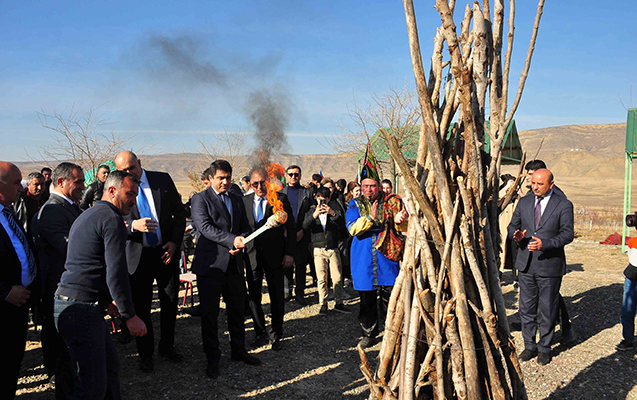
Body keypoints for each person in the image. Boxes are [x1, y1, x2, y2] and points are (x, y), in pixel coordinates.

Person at [54, 170, 147, 399]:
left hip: (76, 305)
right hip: (80, 309)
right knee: (92, 386)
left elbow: (90, 264)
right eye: (130, 194)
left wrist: (106, 302)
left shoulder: (90, 214)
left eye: (136, 195)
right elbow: (115, 273)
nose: (134, 200)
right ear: (112, 190)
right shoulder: (111, 219)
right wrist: (130, 316)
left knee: (108, 367)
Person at [114, 151, 187, 373]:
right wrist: (133, 225)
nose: (128, 174)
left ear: (140, 163)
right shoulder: (117, 186)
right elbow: (113, 217)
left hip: (165, 253)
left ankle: (167, 346)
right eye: (123, 171)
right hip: (138, 256)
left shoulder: (161, 180)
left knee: (169, 301)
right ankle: (145, 354)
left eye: (131, 169)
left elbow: (179, 214)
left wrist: (175, 242)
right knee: (142, 307)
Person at [190, 160, 260, 379]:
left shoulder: (237, 199)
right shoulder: (200, 199)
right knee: (210, 316)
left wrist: (243, 241)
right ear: (210, 178)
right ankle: (213, 358)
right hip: (210, 266)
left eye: (228, 177)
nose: (225, 182)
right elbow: (205, 228)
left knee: (237, 311)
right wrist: (232, 241)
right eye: (220, 178)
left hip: (234, 265)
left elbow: (246, 227)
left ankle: (238, 351)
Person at [508, 169, 574, 365]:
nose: (535, 187)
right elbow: (513, 225)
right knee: (526, 308)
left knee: (547, 308)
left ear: (551, 184)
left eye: (540, 184)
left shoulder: (563, 204)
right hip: (526, 264)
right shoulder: (525, 202)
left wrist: (545, 244)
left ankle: (545, 347)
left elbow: (567, 234)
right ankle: (530, 346)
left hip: (550, 266)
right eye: (533, 183)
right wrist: (516, 235)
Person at [31, 162, 85, 397]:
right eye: (79, 182)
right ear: (61, 182)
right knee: (63, 350)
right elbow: (69, 248)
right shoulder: (52, 210)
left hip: (71, 289)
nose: (84, 186)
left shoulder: (69, 205)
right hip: (59, 291)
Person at [346, 155, 408, 348]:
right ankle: (369, 333)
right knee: (367, 299)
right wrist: (371, 219)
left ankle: (392, 332)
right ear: (361, 186)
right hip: (363, 257)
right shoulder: (355, 204)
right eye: (366, 186)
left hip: (386, 257)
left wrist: (399, 221)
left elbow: (404, 228)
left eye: (373, 186)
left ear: (379, 186)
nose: (369, 190)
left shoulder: (392, 202)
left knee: (391, 298)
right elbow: (353, 228)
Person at [243, 167, 295, 350]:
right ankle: (260, 332)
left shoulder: (280, 199)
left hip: (276, 256)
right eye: (254, 183)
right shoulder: (244, 201)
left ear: (268, 181)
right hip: (252, 257)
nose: (259, 187)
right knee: (254, 297)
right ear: (250, 184)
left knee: (276, 296)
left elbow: (292, 227)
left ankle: (276, 334)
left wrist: (289, 254)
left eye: (262, 183)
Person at [0, 162, 38, 399]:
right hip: (4, 303)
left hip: (19, 303)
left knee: (12, 361)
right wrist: (4, 291)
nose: (22, 188)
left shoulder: (7, 210)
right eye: (16, 183)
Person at [303, 186, 350, 315]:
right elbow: (305, 225)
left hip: (333, 248)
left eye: (324, 200)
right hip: (318, 249)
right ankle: (322, 304)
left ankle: (338, 302)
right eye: (320, 200)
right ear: (316, 198)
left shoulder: (334, 211)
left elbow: (342, 224)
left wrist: (332, 213)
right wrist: (315, 215)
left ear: (329, 199)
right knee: (321, 278)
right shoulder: (311, 211)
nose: (322, 203)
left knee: (337, 277)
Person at [280, 165, 314, 304]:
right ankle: (287, 290)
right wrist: (284, 231)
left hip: (301, 233)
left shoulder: (307, 193)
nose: (294, 177)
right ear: (286, 176)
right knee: (286, 263)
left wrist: (302, 230)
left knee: (300, 265)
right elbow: (276, 213)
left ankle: (300, 292)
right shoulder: (281, 193)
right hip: (285, 234)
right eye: (291, 174)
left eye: (296, 174)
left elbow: (312, 213)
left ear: (300, 176)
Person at [13, 171, 48, 236]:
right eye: (36, 185)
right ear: (28, 185)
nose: (40, 188)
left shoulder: (49, 199)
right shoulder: (19, 200)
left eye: (42, 184)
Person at [618, 236, 637, 350]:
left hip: (631, 276)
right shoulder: (633, 241)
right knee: (627, 311)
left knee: (627, 311)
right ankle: (628, 340)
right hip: (631, 277)